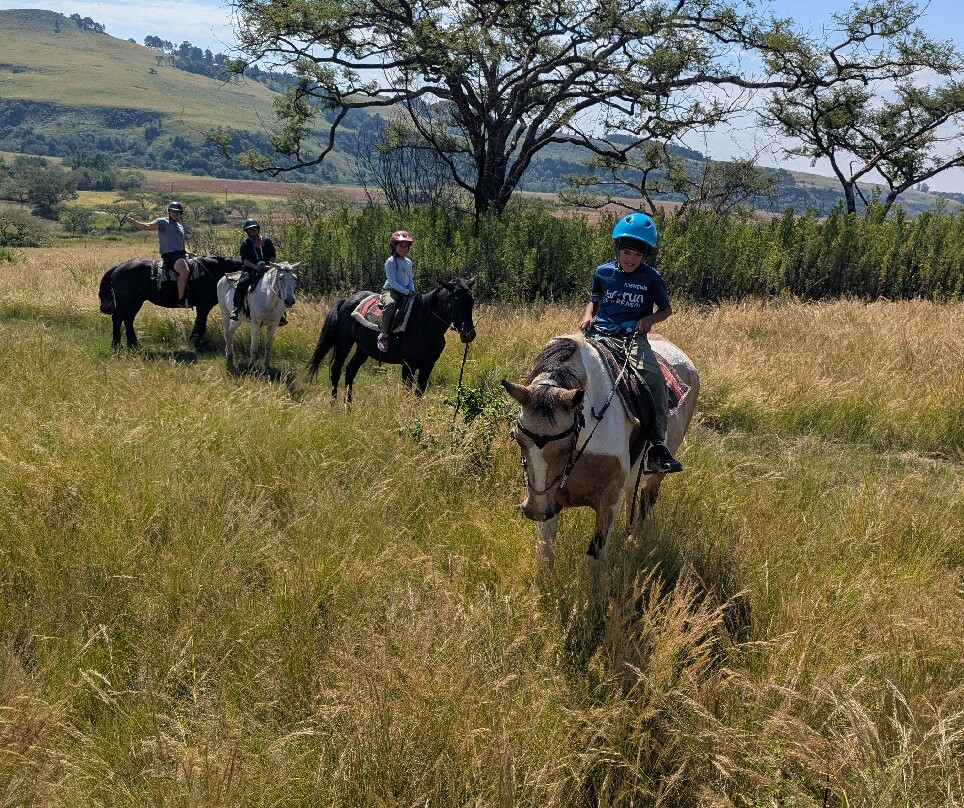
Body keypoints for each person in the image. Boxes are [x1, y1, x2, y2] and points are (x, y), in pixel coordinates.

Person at [579, 212, 684, 474]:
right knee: (567, 363)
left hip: (631, 337)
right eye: (627, 252)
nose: (631, 259)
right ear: (618, 248)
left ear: (645, 255)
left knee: (654, 378)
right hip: (600, 333)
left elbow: (666, 309)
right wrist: (588, 315)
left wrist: (649, 320)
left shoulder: (651, 278)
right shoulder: (602, 272)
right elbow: (595, 299)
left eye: (638, 255)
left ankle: (657, 446)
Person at [126, 201, 192, 306]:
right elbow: (148, 226)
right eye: (173, 211)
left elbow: (182, 242)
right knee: (184, 271)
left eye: (178, 212)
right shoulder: (162, 222)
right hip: (170, 256)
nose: (175, 213)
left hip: (181, 254)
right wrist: (135, 223)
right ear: (169, 212)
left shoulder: (180, 226)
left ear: (181, 213)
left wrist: (187, 251)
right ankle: (181, 299)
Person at [232, 218, 285, 324]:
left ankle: (281, 314)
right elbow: (245, 260)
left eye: (254, 228)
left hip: (268, 269)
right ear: (247, 231)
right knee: (242, 283)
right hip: (250, 269)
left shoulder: (267, 241)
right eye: (249, 229)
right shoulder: (245, 244)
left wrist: (269, 265)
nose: (252, 230)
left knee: (280, 284)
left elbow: (273, 255)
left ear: (258, 228)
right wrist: (255, 267)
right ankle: (236, 309)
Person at [377, 229, 415, 353]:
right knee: (391, 303)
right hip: (391, 290)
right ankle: (383, 335)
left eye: (405, 246)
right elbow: (392, 282)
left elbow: (410, 280)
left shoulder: (408, 262)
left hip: (405, 290)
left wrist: (412, 291)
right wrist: (406, 292)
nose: (403, 248)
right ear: (394, 246)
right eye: (400, 245)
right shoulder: (391, 261)